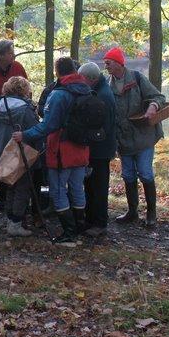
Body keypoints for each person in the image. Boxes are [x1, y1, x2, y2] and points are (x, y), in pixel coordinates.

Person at [14, 57, 91, 247]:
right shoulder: (87, 89)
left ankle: (69, 234)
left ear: (57, 71)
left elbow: (48, 126)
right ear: (75, 70)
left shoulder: (58, 94)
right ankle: (79, 228)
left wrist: (24, 135)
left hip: (61, 150)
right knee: (77, 188)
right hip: (82, 149)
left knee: (57, 190)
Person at [104, 47, 165, 228]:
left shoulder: (137, 78)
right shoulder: (107, 85)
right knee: (128, 175)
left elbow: (158, 97)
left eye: (108, 63)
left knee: (145, 173)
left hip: (144, 136)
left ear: (118, 63)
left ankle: (151, 213)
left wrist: (153, 106)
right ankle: (132, 212)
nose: (106, 66)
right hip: (123, 139)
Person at [0, 40, 29, 212]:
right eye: (10, 52)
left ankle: (18, 200)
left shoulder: (18, 68)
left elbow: (26, 90)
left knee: (18, 160)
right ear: (0, 55)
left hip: (19, 124)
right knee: (1, 160)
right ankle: (3, 198)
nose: (13, 55)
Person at [0, 76, 40, 237]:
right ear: (24, 90)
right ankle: (16, 223)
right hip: (20, 153)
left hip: (2, 154)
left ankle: (10, 219)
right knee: (22, 188)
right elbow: (35, 132)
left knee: (10, 187)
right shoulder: (26, 109)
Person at [77, 62, 117, 234]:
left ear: (91, 79)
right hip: (98, 147)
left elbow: (102, 126)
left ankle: (99, 223)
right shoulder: (99, 90)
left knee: (98, 187)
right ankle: (91, 219)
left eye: (82, 79)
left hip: (100, 149)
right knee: (91, 185)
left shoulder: (103, 96)